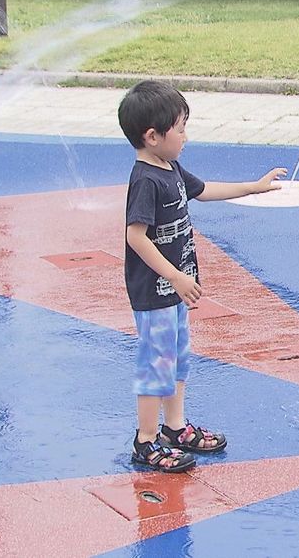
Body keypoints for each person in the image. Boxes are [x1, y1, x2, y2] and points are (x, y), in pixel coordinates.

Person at [118, 80, 286, 473]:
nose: (185, 136)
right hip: (154, 291)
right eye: (180, 129)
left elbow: (204, 190)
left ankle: (174, 427)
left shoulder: (169, 166)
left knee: (176, 359)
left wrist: (254, 187)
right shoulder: (145, 179)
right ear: (153, 136)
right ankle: (145, 441)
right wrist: (176, 276)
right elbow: (135, 236)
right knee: (156, 365)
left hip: (174, 291)